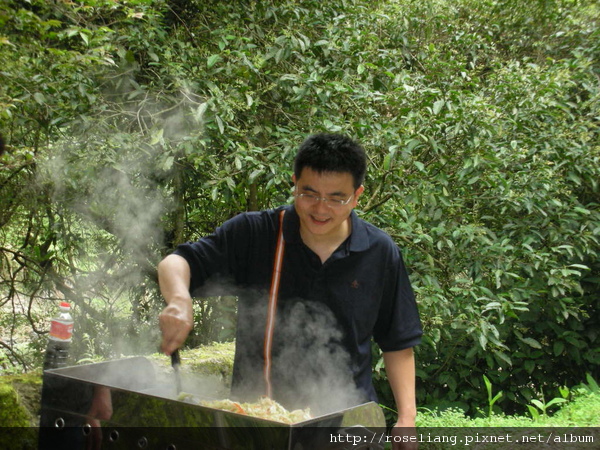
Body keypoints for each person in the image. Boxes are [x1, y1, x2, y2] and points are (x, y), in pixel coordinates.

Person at [158, 133, 422, 430]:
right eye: (309, 194)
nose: (320, 209)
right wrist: (180, 300)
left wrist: (407, 417)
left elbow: (398, 343)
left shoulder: (379, 251)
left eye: (336, 198)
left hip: (348, 425)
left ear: (357, 195)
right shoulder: (255, 233)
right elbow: (176, 263)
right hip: (260, 423)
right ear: (294, 183)